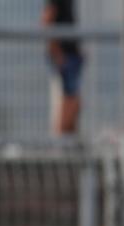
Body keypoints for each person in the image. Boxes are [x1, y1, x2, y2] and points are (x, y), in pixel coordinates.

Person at [42, 0, 84, 136]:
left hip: (70, 57)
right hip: (65, 58)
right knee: (70, 102)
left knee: (74, 103)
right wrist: (57, 53)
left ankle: (68, 141)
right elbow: (46, 21)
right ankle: (63, 143)